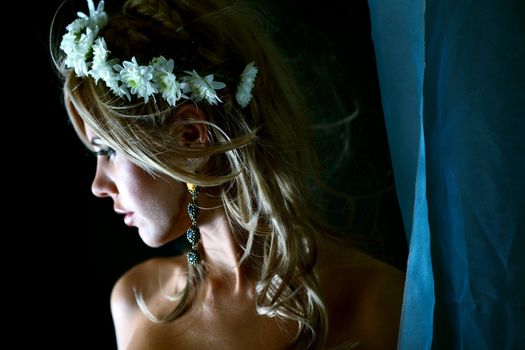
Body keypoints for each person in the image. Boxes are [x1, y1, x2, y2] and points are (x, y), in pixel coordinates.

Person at [51, 0, 405, 348]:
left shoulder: (378, 301)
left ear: (190, 135)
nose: (98, 185)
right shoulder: (134, 299)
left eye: (108, 150)